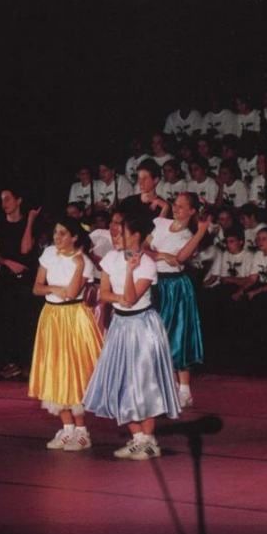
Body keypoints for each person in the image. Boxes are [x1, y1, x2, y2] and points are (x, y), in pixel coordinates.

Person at [83, 214, 181, 460]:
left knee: (144, 382)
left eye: (121, 232)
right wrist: (119, 296)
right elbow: (105, 294)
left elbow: (131, 298)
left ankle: (149, 440)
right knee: (122, 379)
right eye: (114, 232)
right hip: (120, 325)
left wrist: (129, 272)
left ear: (135, 235)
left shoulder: (146, 264)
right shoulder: (109, 258)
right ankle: (137, 437)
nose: (115, 236)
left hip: (142, 327)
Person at [28, 218, 102, 451]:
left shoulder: (84, 263)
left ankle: (81, 431)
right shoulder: (49, 253)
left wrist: (79, 266)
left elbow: (70, 293)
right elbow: (37, 287)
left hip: (74, 318)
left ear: (74, 237)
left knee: (74, 370)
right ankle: (67, 427)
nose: (57, 238)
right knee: (56, 368)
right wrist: (52, 288)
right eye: (56, 233)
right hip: (52, 317)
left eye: (62, 234)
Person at [147, 193, 209, 407]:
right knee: (159, 334)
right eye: (175, 204)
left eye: (182, 207)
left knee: (178, 334)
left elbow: (181, 258)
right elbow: (143, 248)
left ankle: (184, 390)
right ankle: (170, 385)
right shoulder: (162, 224)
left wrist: (201, 231)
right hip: (156, 283)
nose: (176, 208)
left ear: (192, 211)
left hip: (176, 287)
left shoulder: (188, 235)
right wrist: (164, 256)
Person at [0, 188, 41, 379]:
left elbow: (26, 249)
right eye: (2, 200)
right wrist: (8, 262)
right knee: (6, 321)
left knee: (26, 321)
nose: (4, 204)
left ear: (18, 201)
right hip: (7, 278)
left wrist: (30, 221)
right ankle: (10, 363)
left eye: (8, 199)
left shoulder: (30, 222)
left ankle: (28, 363)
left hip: (27, 278)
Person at [232, 227, 267, 353]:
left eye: (264, 239)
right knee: (242, 299)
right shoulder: (258, 255)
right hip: (262, 284)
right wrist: (240, 290)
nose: (259, 241)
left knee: (263, 300)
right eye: (258, 239)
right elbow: (252, 279)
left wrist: (257, 291)